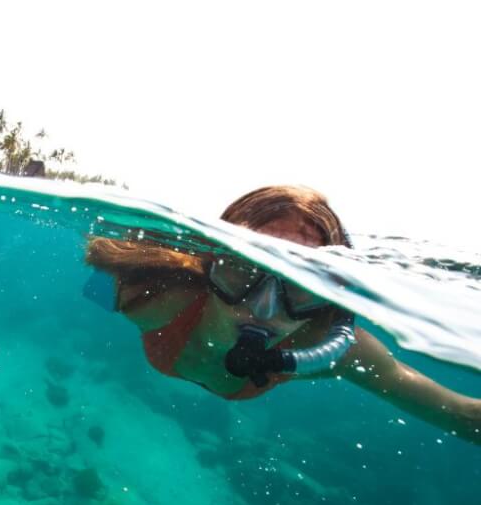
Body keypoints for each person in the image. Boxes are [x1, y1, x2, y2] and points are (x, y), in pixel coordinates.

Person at [85, 185, 480, 441]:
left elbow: (461, 414)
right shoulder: (154, 296)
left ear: (329, 297)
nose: (263, 309)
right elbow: (98, 269)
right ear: (211, 261)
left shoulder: (327, 344)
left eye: (300, 287)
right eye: (244, 270)